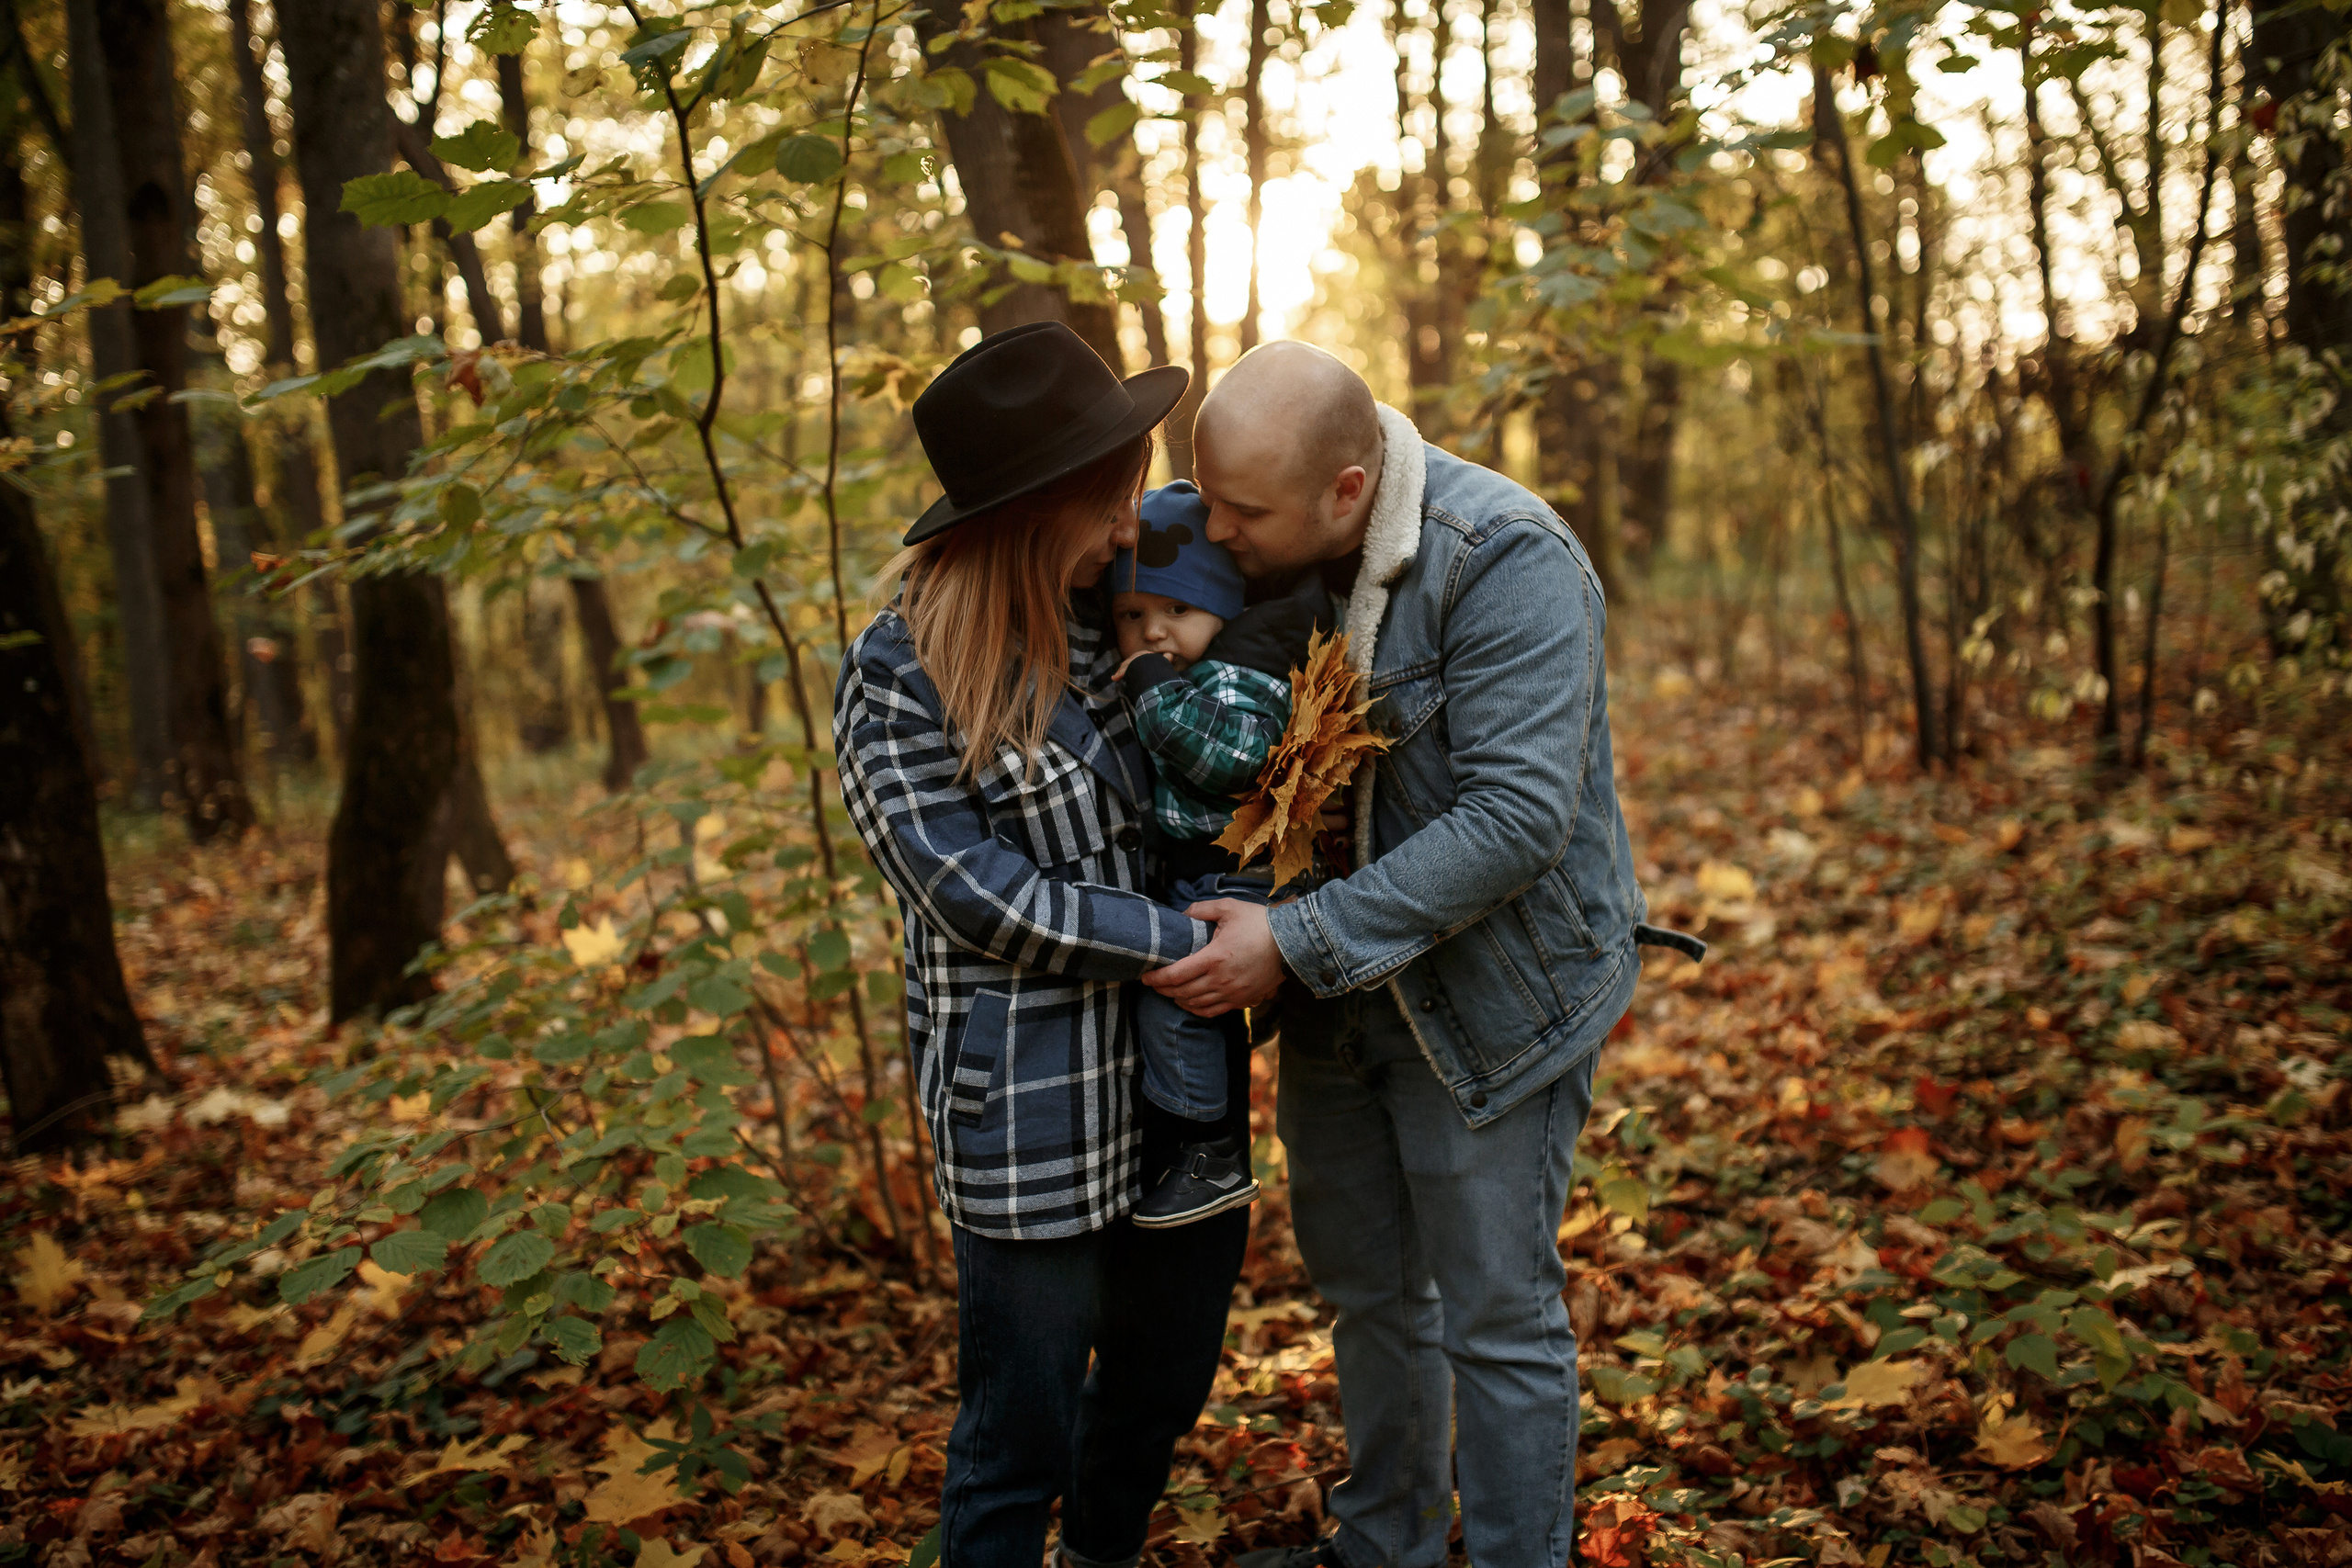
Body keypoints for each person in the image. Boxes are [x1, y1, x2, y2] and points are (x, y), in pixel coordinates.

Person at [1143, 342, 1704, 1568]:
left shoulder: (1505, 560)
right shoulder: (1255, 553)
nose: (1215, 531)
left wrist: (1287, 937)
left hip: (1493, 999)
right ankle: (1383, 1541)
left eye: (1246, 511)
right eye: (1209, 494)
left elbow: (1515, 820)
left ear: (1347, 492)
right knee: (1371, 1294)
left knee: (1498, 1316)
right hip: (1341, 1001)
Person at [832, 322, 1251, 1568]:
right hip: (1028, 1110)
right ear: (1032, 509)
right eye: (1105, 500)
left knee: (1156, 1395)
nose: (1130, 529)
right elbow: (978, 895)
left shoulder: (1120, 618)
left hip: (1177, 1088)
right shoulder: (898, 671)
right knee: (1019, 1430)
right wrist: (1179, 936)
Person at [1107, 481, 1333, 1228]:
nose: (1155, 634)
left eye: (1178, 611)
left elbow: (1228, 756)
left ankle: (1208, 1154)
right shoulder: (1194, 669)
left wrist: (1145, 685)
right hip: (1211, 862)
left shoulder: (1240, 668)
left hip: (1234, 871)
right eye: (1133, 616)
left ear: (1222, 606)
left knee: (1176, 988)